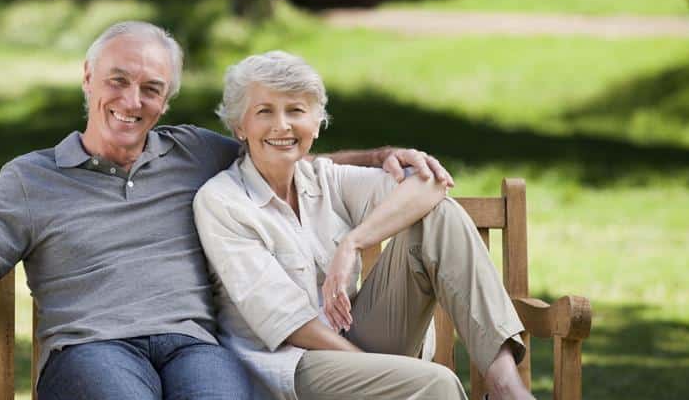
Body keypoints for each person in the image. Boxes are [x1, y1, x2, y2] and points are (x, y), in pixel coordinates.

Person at [0, 22, 454, 400]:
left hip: (194, 346)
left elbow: (279, 151)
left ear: (166, 101)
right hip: (91, 349)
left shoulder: (194, 152)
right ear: (88, 78)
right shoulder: (32, 178)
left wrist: (378, 157)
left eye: (151, 88)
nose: (132, 100)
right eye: (118, 80)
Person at [193, 50, 534, 400]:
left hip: (355, 338)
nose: (282, 125)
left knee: (437, 217)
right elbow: (290, 325)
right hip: (293, 367)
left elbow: (429, 185)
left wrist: (353, 242)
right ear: (239, 126)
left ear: (316, 122)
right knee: (436, 382)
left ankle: (505, 385)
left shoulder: (325, 179)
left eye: (296, 110)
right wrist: (381, 371)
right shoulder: (222, 202)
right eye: (265, 111)